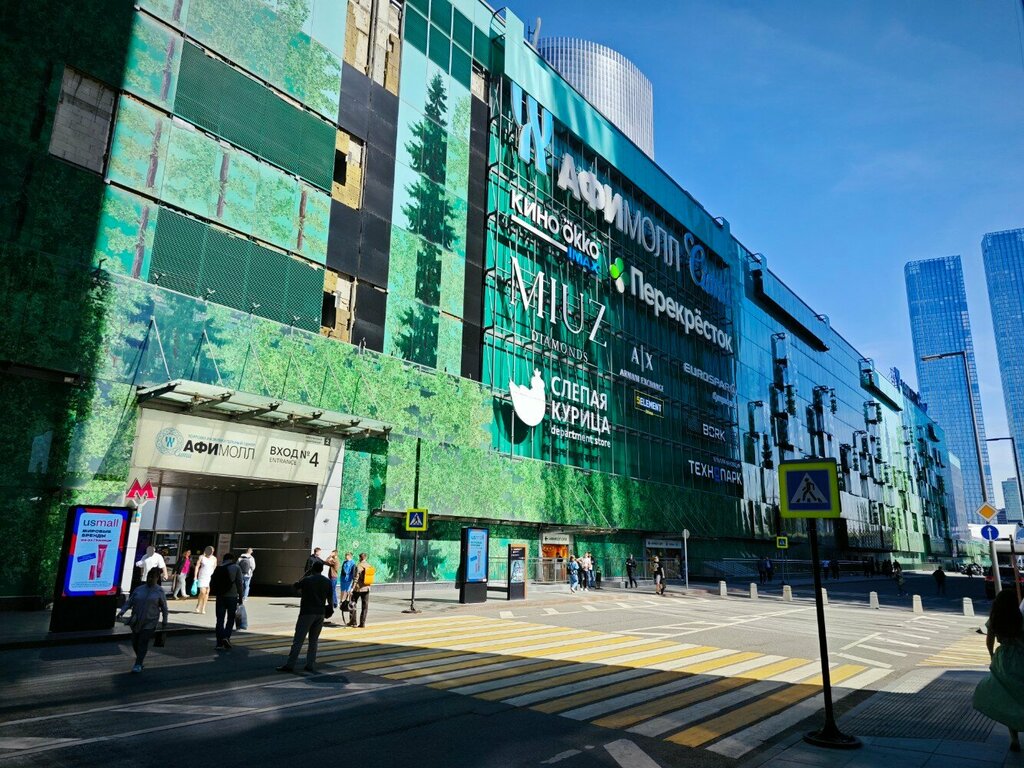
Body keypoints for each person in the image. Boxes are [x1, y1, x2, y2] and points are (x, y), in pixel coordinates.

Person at [973, 589, 1024, 752]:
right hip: (1020, 658)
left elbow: (989, 641)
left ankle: (1014, 738)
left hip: (1003, 659)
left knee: (1007, 697)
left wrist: (992, 656)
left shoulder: (994, 619)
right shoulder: (1020, 618)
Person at [277, 561, 333, 673]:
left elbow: (294, 589)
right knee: (314, 641)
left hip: (307, 613)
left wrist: (301, 578)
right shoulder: (327, 581)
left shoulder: (307, 580)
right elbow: (330, 599)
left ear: (312, 569)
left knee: (298, 640)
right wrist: (329, 609)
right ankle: (310, 665)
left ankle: (290, 665)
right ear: (322, 569)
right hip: (320, 613)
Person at [117, 567, 168, 673]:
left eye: (153, 577)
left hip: (150, 621)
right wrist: (122, 611)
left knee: (143, 641)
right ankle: (140, 656)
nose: (150, 579)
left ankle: (138, 663)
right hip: (137, 619)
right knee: (135, 641)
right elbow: (130, 602)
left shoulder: (159, 591)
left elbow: (164, 607)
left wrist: (164, 621)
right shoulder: (139, 589)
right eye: (149, 577)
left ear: (157, 578)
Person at [210, 552, 244, 650]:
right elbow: (240, 583)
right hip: (232, 597)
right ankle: (226, 637)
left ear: (224, 559)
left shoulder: (219, 568)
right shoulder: (236, 567)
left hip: (220, 597)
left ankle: (219, 643)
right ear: (232, 559)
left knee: (219, 619)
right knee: (230, 618)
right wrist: (241, 597)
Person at [349, 553, 372, 628]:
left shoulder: (358, 566)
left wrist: (352, 588)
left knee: (353, 604)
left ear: (360, 558)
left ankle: (353, 622)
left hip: (358, 589)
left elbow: (356, 578)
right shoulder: (369, 565)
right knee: (365, 606)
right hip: (367, 588)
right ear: (365, 558)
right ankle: (362, 623)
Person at [193, 545, 217, 615]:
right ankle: (198, 604)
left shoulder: (214, 558)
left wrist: (212, 573)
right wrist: (195, 576)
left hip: (209, 577)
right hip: (202, 576)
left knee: (207, 592)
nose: (211, 552)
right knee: (202, 592)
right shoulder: (202, 557)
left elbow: (215, 566)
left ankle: (203, 608)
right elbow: (197, 566)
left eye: (212, 551)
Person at [338, 551, 356, 624]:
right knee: (342, 590)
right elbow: (342, 569)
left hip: (349, 578)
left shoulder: (353, 563)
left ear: (350, 556)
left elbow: (353, 572)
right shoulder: (344, 562)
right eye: (345, 556)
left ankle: (348, 601)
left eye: (347, 556)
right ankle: (341, 601)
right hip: (343, 578)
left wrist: (352, 579)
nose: (346, 557)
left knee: (348, 590)